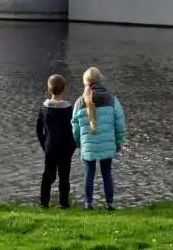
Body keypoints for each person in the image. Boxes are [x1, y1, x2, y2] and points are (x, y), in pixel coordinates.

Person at [71, 67, 126, 211]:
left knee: (89, 172)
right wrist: (118, 141)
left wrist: (79, 142)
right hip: (107, 143)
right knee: (106, 173)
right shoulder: (111, 99)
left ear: (85, 82)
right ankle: (110, 204)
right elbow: (120, 123)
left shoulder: (79, 102)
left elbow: (75, 126)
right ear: (100, 80)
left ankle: (88, 203)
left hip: (88, 144)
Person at [36, 73, 76, 209]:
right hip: (66, 147)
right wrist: (73, 145)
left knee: (48, 174)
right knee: (64, 176)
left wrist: (45, 144)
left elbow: (38, 129)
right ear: (65, 90)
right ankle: (64, 203)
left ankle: (43, 202)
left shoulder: (44, 108)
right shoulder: (69, 109)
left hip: (50, 146)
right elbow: (74, 129)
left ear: (48, 90)